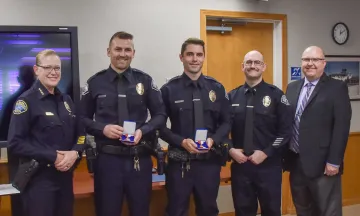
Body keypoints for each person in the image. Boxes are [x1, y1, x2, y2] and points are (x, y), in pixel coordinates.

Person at [79, 31, 166, 216]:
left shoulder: (145, 81)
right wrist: (103, 129)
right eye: (118, 49)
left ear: (133, 53)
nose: (122, 54)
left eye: (128, 50)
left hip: (139, 159)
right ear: (108, 51)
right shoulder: (95, 82)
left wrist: (143, 131)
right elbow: (81, 119)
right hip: (108, 161)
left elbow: (160, 114)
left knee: (141, 210)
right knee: (107, 211)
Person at [7, 49, 86, 216]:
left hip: (65, 179)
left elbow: (81, 134)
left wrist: (75, 152)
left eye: (57, 68)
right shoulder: (26, 101)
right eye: (48, 67)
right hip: (39, 180)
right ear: (37, 70)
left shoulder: (67, 101)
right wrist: (53, 156)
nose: (53, 72)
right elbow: (15, 143)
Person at [159, 37, 231, 216]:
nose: (194, 59)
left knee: (208, 209)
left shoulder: (217, 88)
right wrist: (180, 141)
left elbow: (226, 122)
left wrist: (213, 140)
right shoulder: (169, 89)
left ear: (204, 57)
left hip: (209, 162)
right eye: (189, 54)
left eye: (199, 54)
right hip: (180, 163)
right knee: (176, 210)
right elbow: (159, 126)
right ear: (181, 57)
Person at [284, 46, 352, 216]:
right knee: (303, 209)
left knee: (328, 211)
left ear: (323, 63)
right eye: (306, 59)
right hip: (296, 162)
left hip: (324, 165)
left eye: (315, 60)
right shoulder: (292, 88)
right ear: (301, 62)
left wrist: (334, 161)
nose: (310, 63)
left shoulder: (337, 88)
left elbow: (341, 126)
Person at [227, 50, 292, 216]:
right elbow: (221, 130)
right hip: (241, 166)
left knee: (271, 210)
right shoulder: (232, 97)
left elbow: (285, 132)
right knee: (242, 211)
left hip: (268, 166)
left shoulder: (276, 95)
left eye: (257, 63)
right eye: (249, 62)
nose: (252, 66)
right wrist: (230, 149)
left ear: (264, 67)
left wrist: (266, 152)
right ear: (243, 67)